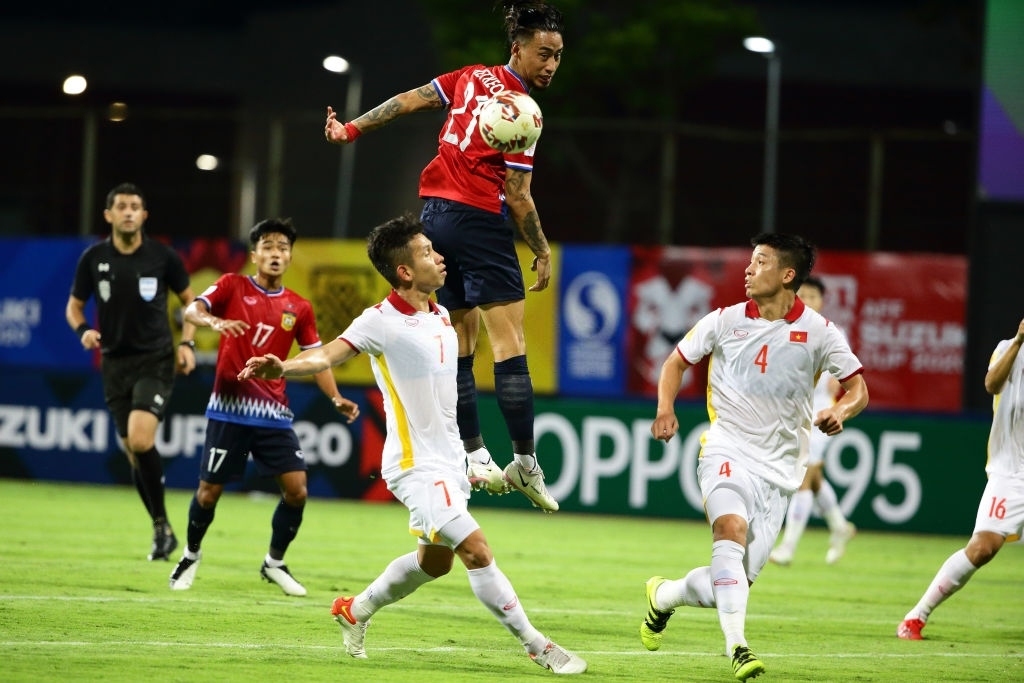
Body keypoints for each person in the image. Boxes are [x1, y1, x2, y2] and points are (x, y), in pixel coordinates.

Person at [239, 214, 586, 673]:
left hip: (449, 465)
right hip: (414, 465)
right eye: (426, 253)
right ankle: (538, 645)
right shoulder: (379, 322)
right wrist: (282, 368)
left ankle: (354, 610)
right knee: (476, 551)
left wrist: (471, 455)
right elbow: (329, 353)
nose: (438, 257)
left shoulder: (441, 313)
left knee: (435, 563)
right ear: (404, 271)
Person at [323, 0, 565, 513]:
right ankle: (525, 462)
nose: (550, 64)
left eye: (558, 56)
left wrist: (352, 130)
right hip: (479, 217)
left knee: (460, 338)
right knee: (510, 343)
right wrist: (541, 250)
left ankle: (474, 454)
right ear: (517, 49)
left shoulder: (472, 76)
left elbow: (410, 100)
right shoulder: (524, 114)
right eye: (543, 53)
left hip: (433, 217)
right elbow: (518, 195)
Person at [640, 233, 869, 681]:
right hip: (725, 448)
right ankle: (737, 647)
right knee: (730, 527)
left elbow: (859, 388)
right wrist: (665, 408)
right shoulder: (724, 320)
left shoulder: (820, 332)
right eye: (750, 261)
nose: (748, 269)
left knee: (729, 585)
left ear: (787, 275)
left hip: (780, 473)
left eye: (760, 262)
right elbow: (675, 363)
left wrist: (840, 410)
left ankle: (663, 595)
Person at [168, 218, 360, 596]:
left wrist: (335, 397)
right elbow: (191, 311)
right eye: (268, 246)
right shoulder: (231, 285)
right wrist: (213, 322)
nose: (276, 253)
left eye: (283, 248)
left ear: (289, 257)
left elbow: (316, 358)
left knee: (297, 490)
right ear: (254, 254)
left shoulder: (299, 307)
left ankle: (274, 562)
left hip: (273, 413)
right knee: (209, 493)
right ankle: (190, 555)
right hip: (229, 409)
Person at [66, 182, 197, 562]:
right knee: (132, 451)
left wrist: (187, 344)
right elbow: (73, 307)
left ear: (144, 215)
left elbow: (192, 304)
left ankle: (161, 527)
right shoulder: (93, 258)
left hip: (154, 359)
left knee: (140, 441)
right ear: (108, 215)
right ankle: (162, 527)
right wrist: (83, 331)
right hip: (114, 363)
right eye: (121, 206)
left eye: (135, 206)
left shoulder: (162, 257)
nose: (128, 212)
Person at [897, 318, 1024, 640]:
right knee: (982, 548)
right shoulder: (1008, 349)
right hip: (1012, 473)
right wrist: (1020, 340)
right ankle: (916, 616)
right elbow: (992, 385)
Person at [768, 276, 857, 566]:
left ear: (822, 301)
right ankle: (840, 526)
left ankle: (788, 547)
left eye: (813, 296)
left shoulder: (832, 332)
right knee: (813, 478)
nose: (806, 300)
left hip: (820, 414)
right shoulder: (783, 328)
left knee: (804, 476)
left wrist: (836, 386)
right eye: (802, 294)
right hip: (793, 413)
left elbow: (844, 375)